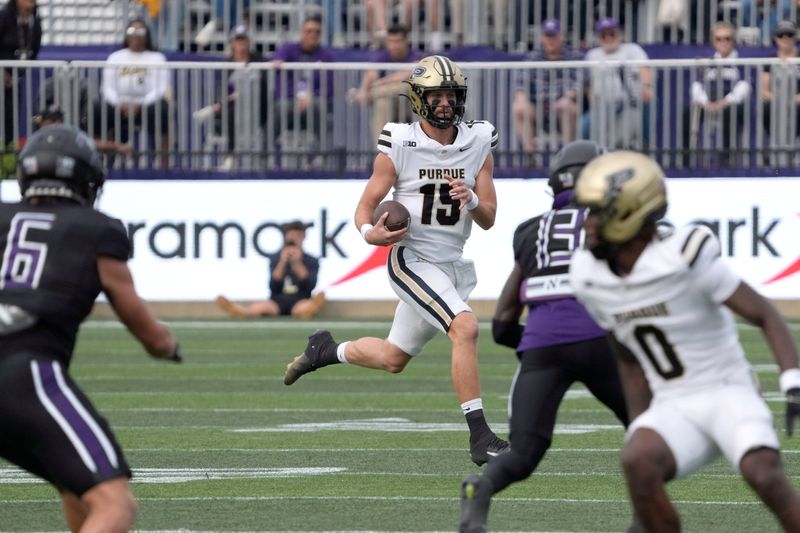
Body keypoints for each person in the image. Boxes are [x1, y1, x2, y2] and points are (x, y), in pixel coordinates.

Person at [283, 55, 509, 466]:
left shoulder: (478, 140)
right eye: (436, 95)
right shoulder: (400, 142)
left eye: (451, 95)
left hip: (452, 263)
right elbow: (366, 206)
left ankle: (325, 350)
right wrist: (371, 233)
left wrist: (472, 198)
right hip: (412, 258)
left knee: (392, 358)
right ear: (419, 99)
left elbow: (489, 218)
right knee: (466, 326)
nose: (444, 103)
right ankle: (480, 437)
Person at [569, 150, 800, 532]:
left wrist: (792, 381)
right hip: (674, 402)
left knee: (762, 473)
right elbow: (627, 356)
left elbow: (765, 314)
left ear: (631, 213)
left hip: (728, 391)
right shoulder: (587, 275)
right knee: (637, 460)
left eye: (598, 213)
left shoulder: (684, 254)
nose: (588, 224)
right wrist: (642, 424)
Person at [0, 124, 182, 531]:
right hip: (21, 370)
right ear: (87, 179)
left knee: (75, 484)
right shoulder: (96, 228)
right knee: (115, 504)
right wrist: (170, 345)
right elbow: (150, 335)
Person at [458, 141, 630, 533]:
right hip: (601, 340)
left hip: (541, 346)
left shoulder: (529, 230)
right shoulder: (615, 220)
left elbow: (501, 323)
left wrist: (537, 342)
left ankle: (480, 491)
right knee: (649, 428)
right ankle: (646, 518)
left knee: (525, 451)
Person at [92, 19, 171, 168]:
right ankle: (99, 160)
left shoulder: (157, 59)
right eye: (132, 32)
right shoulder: (115, 58)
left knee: (162, 110)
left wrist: (141, 104)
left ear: (147, 36)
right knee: (97, 109)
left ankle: (163, 162)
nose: (136, 36)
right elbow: (107, 88)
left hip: (147, 105)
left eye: (140, 32)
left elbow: (161, 89)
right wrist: (119, 104)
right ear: (126, 35)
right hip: (119, 105)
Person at [192, 25, 267, 171]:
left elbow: (263, 89)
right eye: (238, 41)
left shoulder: (258, 60)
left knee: (240, 97)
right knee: (232, 109)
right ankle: (231, 156)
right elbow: (222, 91)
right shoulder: (227, 64)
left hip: (255, 108)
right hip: (233, 108)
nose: (241, 44)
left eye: (243, 40)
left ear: (249, 42)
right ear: (232, 43)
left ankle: (213, 109)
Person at [216, 220, 326, 319]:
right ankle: (241, 311)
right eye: (291, 235)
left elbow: (310, 284)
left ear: (303, 237)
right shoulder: (276, 258)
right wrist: (282, 262)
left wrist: (297, 262)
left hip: (300, 299)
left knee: (303, 307)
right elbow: (273, 284)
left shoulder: (311, 260)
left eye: (297, 235)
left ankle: (310, 309)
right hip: (277, 301)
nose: (294, 239)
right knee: (261, 307)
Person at [682, 21, 751, 166]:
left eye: (727, 38)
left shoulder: (741, 60)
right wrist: (705, 102)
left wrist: (725, 102)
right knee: (688, 112)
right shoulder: (708, 60)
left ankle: (727, 157)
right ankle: (687, 158)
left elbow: (744, 86)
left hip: (730, 102)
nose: (723, 42)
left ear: (734, 41)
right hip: (708, 100)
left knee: (730, 113)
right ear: (713, 41)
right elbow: (697, 85)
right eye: (719, 39)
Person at [511, 19, 583, 153]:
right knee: (519, 108)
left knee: (566, 107)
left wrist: (567, 97)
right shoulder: (534, 57)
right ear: (542, 38)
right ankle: (531, 156)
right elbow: (521, 81)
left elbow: (579, 83)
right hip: (538, 107)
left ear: (561, 37)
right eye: (547, 36)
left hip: (563, 105)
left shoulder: (574, 56)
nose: (550, 40)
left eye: (554, 36)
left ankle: (568, 154)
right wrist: (521, 98)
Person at [583, 17, 653, 150]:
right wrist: (592, 99)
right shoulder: (592, 55)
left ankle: (643, 147)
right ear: (598, 37)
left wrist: (646, 87)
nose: (608, 38)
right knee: (584, 127)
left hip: (630, 102)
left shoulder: (632, 49)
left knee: (620, 136)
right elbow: (588, 82)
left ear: (620, 34)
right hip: (602, 105)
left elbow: (644, 68)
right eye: (604, 35)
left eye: (612, 34)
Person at [351, 23, 422, 141]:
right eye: (391, 41)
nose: (394, 45)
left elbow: (406, 74)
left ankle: (368, 94)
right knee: (382, 103)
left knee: (406, 85)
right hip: (390, 101)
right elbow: (371, 73)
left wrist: (375, 86)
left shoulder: (414, 55)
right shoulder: (383, 55)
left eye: (398, 41)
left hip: (411, 103)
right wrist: (364, 88)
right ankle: (381, 152)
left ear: (405, 41)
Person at [270, 14, 334, 145]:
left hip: (313, 100)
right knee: (281, 107)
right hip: (289, 100)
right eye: (309, 31)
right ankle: (263, 156)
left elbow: (328, 85)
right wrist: (297, 96)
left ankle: (321, 156)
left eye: (317, 32)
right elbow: (278, 67)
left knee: (320, 106)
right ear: (301, 32)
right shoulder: (288, 49)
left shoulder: (326, 56)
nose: (313, 34)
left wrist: (311, 96)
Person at [0, 0, 41, 145]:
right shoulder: (4, 17)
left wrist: (18, 74)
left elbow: (34, 50)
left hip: (15, 79)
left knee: (11, 118)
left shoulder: (34, 21)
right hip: (1, 74)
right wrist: (2, 73)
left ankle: (7, 154)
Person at [760, 20, 800, 162]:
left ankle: (794, 150)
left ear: (795, 37)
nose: (785, 38)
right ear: (776, 37)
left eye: (789, 34)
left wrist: (791, 100)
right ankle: (775, 149)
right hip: (777, 101)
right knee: (767, 109)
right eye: (781, 34)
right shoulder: (770, 59)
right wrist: (782, 100)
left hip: (797, 101)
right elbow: (764, 91)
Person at [33, 104, 133, 160]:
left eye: (58, 120)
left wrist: (117, 146)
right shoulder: (36, 139)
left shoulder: (67, 134)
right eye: (51, 120)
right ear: (42, 123)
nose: (57, 123)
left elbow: (90, 143)